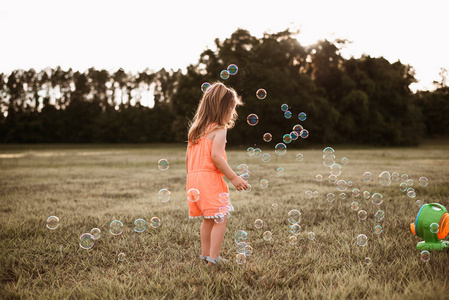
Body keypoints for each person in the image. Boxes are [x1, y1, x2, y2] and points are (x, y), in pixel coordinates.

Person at [186, 82, 248, 266]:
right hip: (209, 179)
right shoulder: (219, 130)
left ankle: (205, 255)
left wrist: (193, 179)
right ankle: (214, 259)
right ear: (224, 109)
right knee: (221, 217)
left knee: (208, 218)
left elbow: (188, 159)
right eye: (232, 108)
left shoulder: (195, 130)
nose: (233, 113)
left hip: (194, 180)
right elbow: (216, 157)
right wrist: (234, 178)